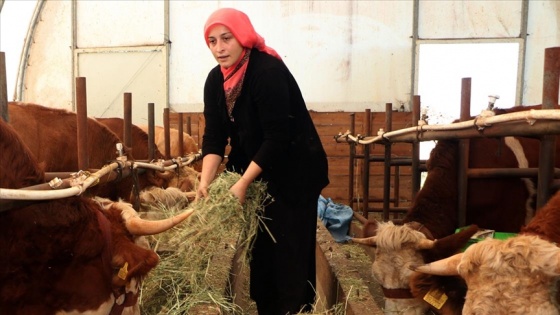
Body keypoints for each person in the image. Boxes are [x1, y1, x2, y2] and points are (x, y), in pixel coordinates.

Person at [196, 8, 329, 315]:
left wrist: (242, 182)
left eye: (226, 38)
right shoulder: (216, 80)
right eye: (212, 41)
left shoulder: (266, 72)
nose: (219, 48)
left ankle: (294, 308)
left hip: (293, 173)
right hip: (260, 175)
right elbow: (215, 136)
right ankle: (267, 307)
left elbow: (278, 137)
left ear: (243, 37)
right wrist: (205, 181)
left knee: (289, 252)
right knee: (262, 252)